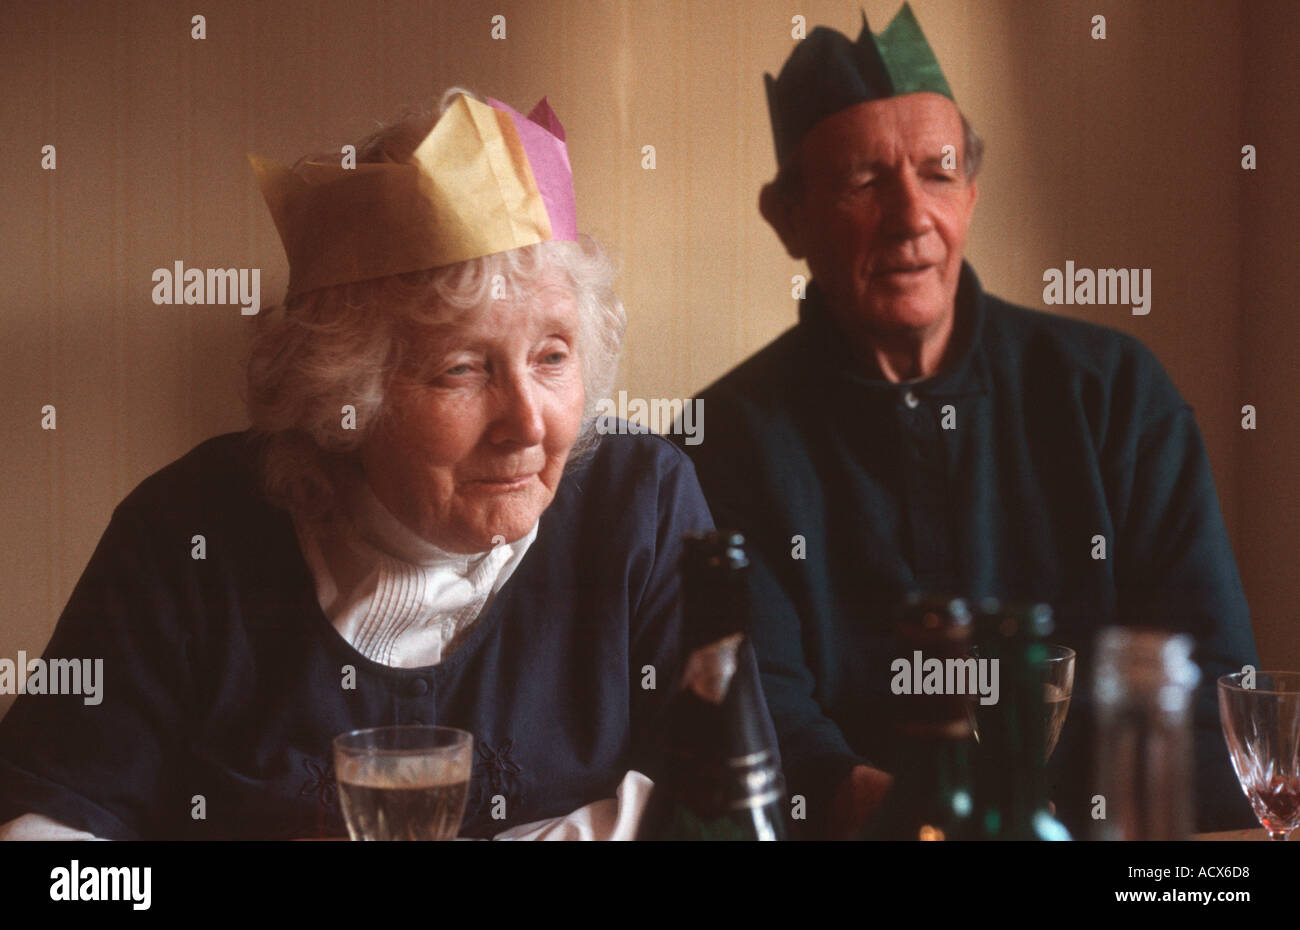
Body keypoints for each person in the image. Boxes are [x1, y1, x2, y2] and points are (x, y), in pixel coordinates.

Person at [0, 88, 753, 840]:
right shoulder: (186, 533)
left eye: (553, 357)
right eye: (463, 369)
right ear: (344, 395)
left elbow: (727, 801)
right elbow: (54, 834)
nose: (527, 422)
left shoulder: (640, 503)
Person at [674, 4, 1258, 839]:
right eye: (865, 181)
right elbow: (768, 734)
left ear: (973, 192)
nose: (911, 217)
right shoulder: (722, 441)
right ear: (788, 218)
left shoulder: (1116, 393)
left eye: (938, 174)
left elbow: (1205, 693)